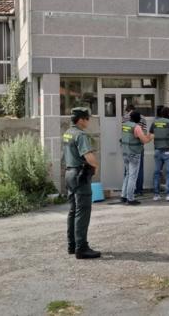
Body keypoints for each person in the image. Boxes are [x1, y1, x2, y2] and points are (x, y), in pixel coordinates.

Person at [63, 107, 101, 259]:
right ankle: (81, 248)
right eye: (87, 118)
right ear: (81, 119)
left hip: (69, 174)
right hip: (80, 175)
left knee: (73, 211)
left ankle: (72, 245)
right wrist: (96, 166)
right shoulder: (80, 135)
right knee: (83, 212)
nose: (88, 121)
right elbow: (89, 156)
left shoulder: (67, 133)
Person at [121, 110, 152, 205]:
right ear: (138, 118)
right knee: (132, 176)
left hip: (125, 152)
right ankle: (130, 198)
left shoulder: (125, 125)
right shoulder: (137, 127)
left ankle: (123, 196)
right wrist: (151, 136)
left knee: (127, 174)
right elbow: (144, 140)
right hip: (134, 153)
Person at [150, 106, 169, 201]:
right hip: (168, 151)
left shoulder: (154, 123)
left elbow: (151, 136)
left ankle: (156, 195)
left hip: (158, 151)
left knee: (157, 173)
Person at [123, 104, 147, 196]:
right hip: (137, 147)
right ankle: (138, 191)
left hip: (126, 148)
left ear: (128, 110)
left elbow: (124, 134)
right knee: (138, 170)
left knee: (127, 173)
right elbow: (144, 133)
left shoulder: (125, 119)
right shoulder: (143, 118)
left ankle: (125, 194)